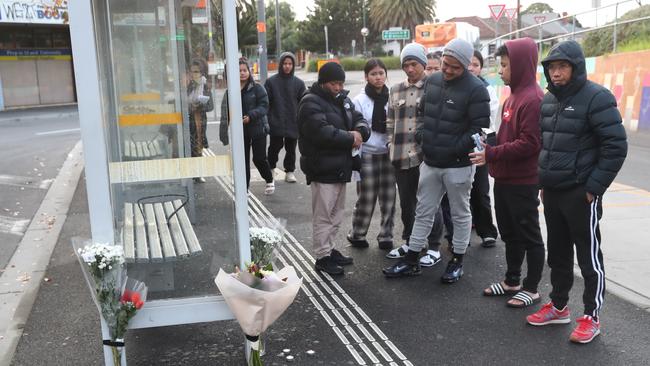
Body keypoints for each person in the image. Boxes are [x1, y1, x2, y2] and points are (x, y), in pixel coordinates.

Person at [526, 40, 627, 344]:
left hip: (582, 193)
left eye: (562, 67)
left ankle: (591, 316)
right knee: (557, 253)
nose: (556, 73)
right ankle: (558, 306)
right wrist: (543, 184)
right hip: (553, 192)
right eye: (552, 68)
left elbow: (616, 147)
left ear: (576, 67)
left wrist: (593, 188)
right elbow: (547, 145)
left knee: (588, 256)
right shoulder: (548, 100)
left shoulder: (597, 97)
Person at [383, 38, 490, 282]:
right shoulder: (432, 81)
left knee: (460, 213)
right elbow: (420, 114)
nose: (448, 70)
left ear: (464, 65)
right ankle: (411, 260)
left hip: (458, 165)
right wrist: (423, 138)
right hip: (430, 161)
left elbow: (479, 128)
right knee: (423, 211)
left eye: (455, 66)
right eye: (445, 64)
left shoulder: (476, 89)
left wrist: (453, 149)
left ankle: (457, 260)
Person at [469, 38, 545, 308]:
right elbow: (507, 135)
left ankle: (532, 287)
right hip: (504, 179)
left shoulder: (533, 99)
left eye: (504, 65)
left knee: (529, 234)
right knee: (510, 233)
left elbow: (531, 143)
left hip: (523, 181)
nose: (500, 70)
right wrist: (490, 144)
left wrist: (492, 153)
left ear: (522, 65)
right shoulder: (513, 95)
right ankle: (512, 280)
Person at [297, 62, 370, 275]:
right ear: (323, 82)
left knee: (337, 213)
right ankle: (322, 256)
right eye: (334, 83)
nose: (338, 87)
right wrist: (351, 138)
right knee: (324, 215)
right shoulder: (310, 102)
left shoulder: (343, 100)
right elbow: (321, 132)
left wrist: (360, 132)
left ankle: (329, 249)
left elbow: (359, 119)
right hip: (322, 168)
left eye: (340, 83)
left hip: (340, 166)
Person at [384, 43, 445, 269]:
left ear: (422, 64)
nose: (410, 69)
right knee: (407, 204)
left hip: (424, 156)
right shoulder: (395, 89)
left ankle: (433, 246)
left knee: (429, 203)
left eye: (414, 64)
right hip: (400, 155)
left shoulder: (434, 87)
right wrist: (391, 141)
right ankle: (411, 243)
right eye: (406, 65)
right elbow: (390, 120)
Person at [346, 59, 396, 250]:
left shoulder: (392, 96)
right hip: (366, 152)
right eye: (373, 74)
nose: (378, 77)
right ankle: (358, 234)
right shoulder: (359, 101)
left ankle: (386, 235)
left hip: (389, 152)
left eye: (381, 73)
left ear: (386, 75)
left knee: (389, 196)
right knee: (366, 196)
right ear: (366, 76)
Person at [219, 57, 275, 194]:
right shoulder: (230, 92)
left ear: (249, 72)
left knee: (259, 158)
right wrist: (223, 134)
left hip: (258, 129)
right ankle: (245, 189)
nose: (242, 73)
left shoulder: (257, 88)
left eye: (245, 70)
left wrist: (251, 116)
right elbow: (225, 114)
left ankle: (269, 179)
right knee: (242, 161)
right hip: (240, 131)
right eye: (239, 71)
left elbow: (264, 106)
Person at [466, 50, 499, 248]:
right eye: (468, 63)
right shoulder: (453, 87)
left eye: (476, 64)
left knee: (480, 188)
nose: (471, 67)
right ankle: (460, 231)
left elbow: (487, 119)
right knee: (459, 189)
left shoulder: (489, 90)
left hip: (482, 142)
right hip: (459, 143)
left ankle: (486, 230)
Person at [264, 52, 306, 183]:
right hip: (276, 119)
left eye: (290, 64)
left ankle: (290, 171)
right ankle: (270, 169)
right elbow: (266, 102)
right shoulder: (271, 82)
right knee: (274, 147)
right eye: (285, 63)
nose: (287, 66)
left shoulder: (299, 83)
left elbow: (304, 102)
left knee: (291, 149)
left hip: (293, 121)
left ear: (293, 65)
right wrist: (267, 119)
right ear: (280, 64)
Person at [188, 59, 214, 182]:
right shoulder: (188, 85)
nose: (194, 74)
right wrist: (189, 106)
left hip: (199, 120)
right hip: (188, 118)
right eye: (192, 71)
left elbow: (210, 106)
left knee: (198, 146)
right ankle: (188, 173)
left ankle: (197, 174)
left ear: (202, 72)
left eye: (197, 71)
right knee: (187, 145)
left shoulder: (205, 86)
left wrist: (199, 105)